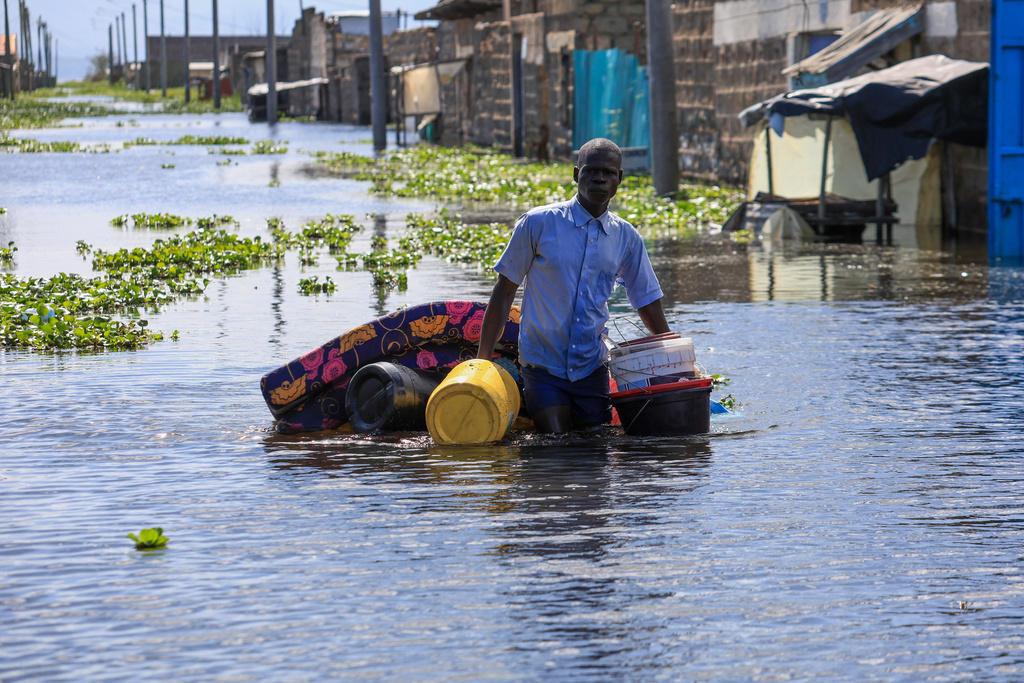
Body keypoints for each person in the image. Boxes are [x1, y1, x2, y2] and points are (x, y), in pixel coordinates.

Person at [476, 137, 670, 434]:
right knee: (556, 442)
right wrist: (482, 362)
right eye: (591, 171)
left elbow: (646, 300)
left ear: (620, 179)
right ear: (576, 174)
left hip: (591, 367)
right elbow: (504, 292)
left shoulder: (626, 237)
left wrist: (673, 358)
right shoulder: (538, 223)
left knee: (594, 447)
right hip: (542, 366)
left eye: (608, 173)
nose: (599, 178)